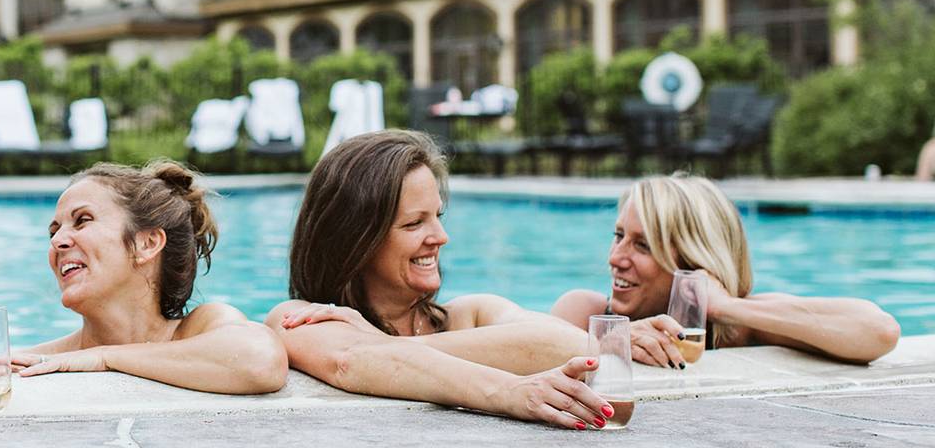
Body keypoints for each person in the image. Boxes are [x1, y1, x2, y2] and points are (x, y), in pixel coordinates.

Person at [266, 130, 613, 431]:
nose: (441, 236)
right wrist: (508, 392)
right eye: (414, 223)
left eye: (437, 216)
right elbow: (349, 362)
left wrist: (377, 346)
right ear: (355, 240)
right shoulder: (301, 317)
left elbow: (573, 346)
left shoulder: (470, 315)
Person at [552, 174, 901, 368]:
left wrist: (724, 307)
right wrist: (613, 342)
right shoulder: (587, 313)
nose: (616, 258)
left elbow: (878, 331)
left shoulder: (741, 328)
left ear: (694, 261)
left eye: (642, 245)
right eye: (618, 236)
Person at [11, 161, 287, 395]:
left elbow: (261, 359)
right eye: (53, 232)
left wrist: (106, 357)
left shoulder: (201, 327)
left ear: (147, 243)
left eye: (83, 220)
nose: (57, 241)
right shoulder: (35, 361)